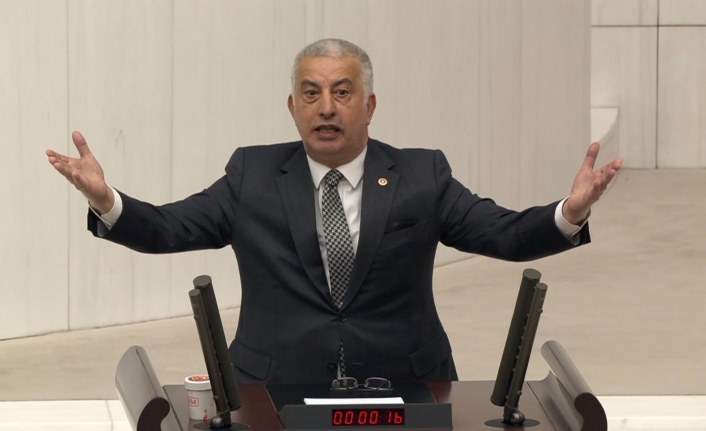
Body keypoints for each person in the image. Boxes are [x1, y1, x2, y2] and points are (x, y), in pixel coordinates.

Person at [46, 38, 622, 385]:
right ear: (292, 106)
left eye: (342, 93)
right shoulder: (252, 175)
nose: (326, 108)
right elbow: (170, 228)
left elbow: (504, 234)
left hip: (407, 385)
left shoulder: (422, 175)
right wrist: (106, 199)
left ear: (369, 105)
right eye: (311, 93)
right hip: (273, 386)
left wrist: (568, 213)